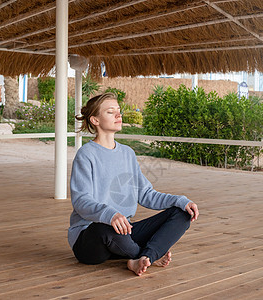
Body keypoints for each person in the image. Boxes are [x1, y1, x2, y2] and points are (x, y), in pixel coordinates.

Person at [68, 92, 199, 276]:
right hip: (91, 238)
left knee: (182, 213)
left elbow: (146, 195)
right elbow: (81, 201)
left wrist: (180, 200)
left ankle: (140, 258)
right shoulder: (86, 154)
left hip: (124, 233)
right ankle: (150, 256)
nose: (118, 115)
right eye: (110, 111)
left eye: (118, 111)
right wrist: (110, 214)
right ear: (95, 120)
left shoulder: (127, 153)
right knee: (105, 227)